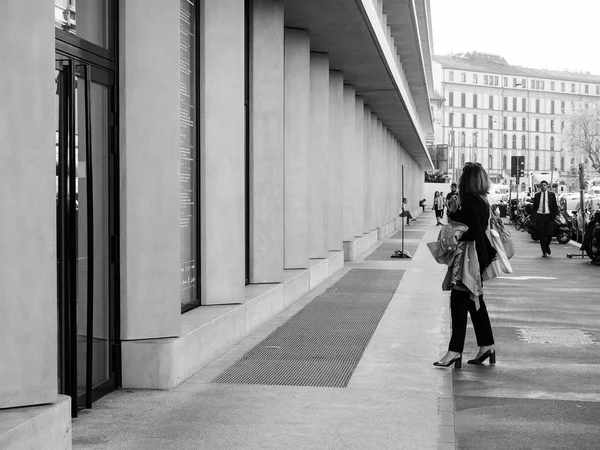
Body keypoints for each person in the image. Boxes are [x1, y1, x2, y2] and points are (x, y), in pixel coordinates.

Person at [433, 162, 497, 368]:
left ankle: (454, 351)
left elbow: (469, 230)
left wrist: (452, 215)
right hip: (477, 257)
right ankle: (486, 345)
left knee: (459, 303)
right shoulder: (482, 201)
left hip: (468, 260)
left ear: (466, 181)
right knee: (474, 302)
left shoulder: (470, 202)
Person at [531, 180, 558, 257]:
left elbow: (555, 206)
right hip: (540, 216)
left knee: (550, 233)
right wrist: (533, 217)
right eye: (542, 185)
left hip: (549, 216)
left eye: (545, 185)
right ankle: (544, 251)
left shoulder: (551, 195)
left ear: (547, 186)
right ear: (540, 187)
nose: (543, 186)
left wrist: (556, 214)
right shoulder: (537, 195)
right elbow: (534, 207)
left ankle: (546, 246)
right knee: (542, 235)